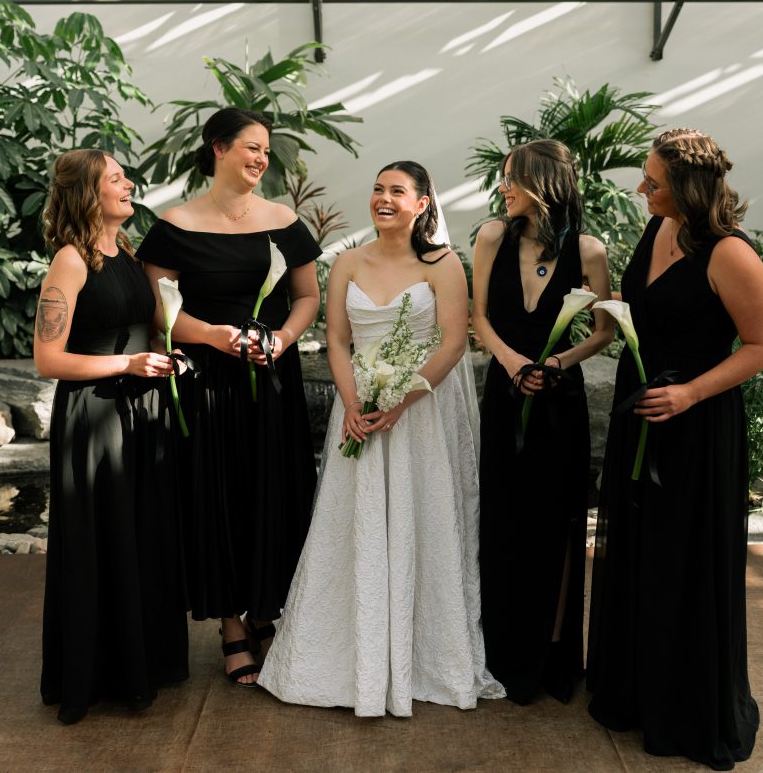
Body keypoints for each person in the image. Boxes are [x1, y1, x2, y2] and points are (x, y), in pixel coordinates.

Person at [258, 161, 504, 717]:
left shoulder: (444, 264)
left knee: (426, 522)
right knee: (355, 526)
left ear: (423, 203)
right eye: (377, 189)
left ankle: (424, 659)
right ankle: (352, 659)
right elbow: (337, 341)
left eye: (397, 191)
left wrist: (401, 403)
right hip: (360, 413)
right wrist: (354, 405)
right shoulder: (345, 262)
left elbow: (451, 343)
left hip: (419, 413)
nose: (383, 198)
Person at [586, 129, 763, 770]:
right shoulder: (656, 229)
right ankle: (637, 693)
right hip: (642, 412)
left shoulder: (731, 254)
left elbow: (761, 347)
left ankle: (687, 708)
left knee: (684, 562)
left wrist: (690, 394)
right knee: (641, 554)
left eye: (653, 181)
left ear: (689, 189)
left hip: (695, 426)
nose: (642, 189)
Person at [137, 108, 320, 687]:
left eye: (266, 150)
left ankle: (267, 608)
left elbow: (307, 297)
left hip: (272, 378)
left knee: (274, 491)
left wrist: (283, 340)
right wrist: (216, 336)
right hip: (207, 382)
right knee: (217, 496)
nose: (261, 159)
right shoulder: (174, 226)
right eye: (251, 147)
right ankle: (231, 624)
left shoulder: (284, 221)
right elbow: (158, 313)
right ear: (218, 149)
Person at [36, 149, 189, 725]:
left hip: (141, 409)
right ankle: (97, 676)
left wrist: (163, 356)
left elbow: (144, 325)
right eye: (116, 178)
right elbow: (48, 359)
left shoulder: (123, 250)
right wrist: (125, 367)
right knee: (99, 539)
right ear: (88, 194)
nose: (129, 184)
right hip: (95, 417)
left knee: (140, 533)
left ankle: (139, 664)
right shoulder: (71, 262)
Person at [472, 139, 614, 705]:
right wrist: (513, 365)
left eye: (511, 179)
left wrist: (555, 364)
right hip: (505, 394)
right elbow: (478, 317)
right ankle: (505, 651)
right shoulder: (490, 237)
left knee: (558, 525)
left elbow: (604, 330)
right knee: (504, 521)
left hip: (560, 399)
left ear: (543, 183)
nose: (502, 189)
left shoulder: (589, 250)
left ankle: (554, 654)